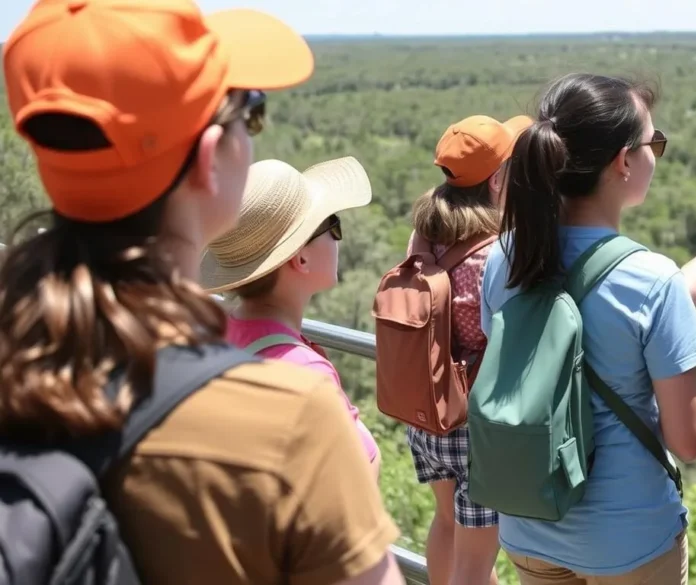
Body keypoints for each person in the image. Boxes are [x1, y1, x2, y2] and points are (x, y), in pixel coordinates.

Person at [0, 2, 403, 584]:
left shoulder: (27, 363)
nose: (254, 131)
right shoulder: (290, 424)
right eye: (251, 113)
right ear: (211, 160)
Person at [479, 72, 696, 585]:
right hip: (628, 542)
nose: (657, 153)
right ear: (623, 161)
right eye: (655, 142)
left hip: (529, 527)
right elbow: (690, 440)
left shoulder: (505, 256)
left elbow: (636, 297)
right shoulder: (650, 279)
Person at [402, 113, 531, 585]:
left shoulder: (424, 236)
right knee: (476, 565)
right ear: (496, 181)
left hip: (426, 409)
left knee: (445, 524)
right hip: (473, 424)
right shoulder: (498, 252)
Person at [200, 157, 381, 478]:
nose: (338, 238)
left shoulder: (214, 333)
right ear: (301, 258)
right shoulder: (306, 372)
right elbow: (359, 483)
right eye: (332, 224)